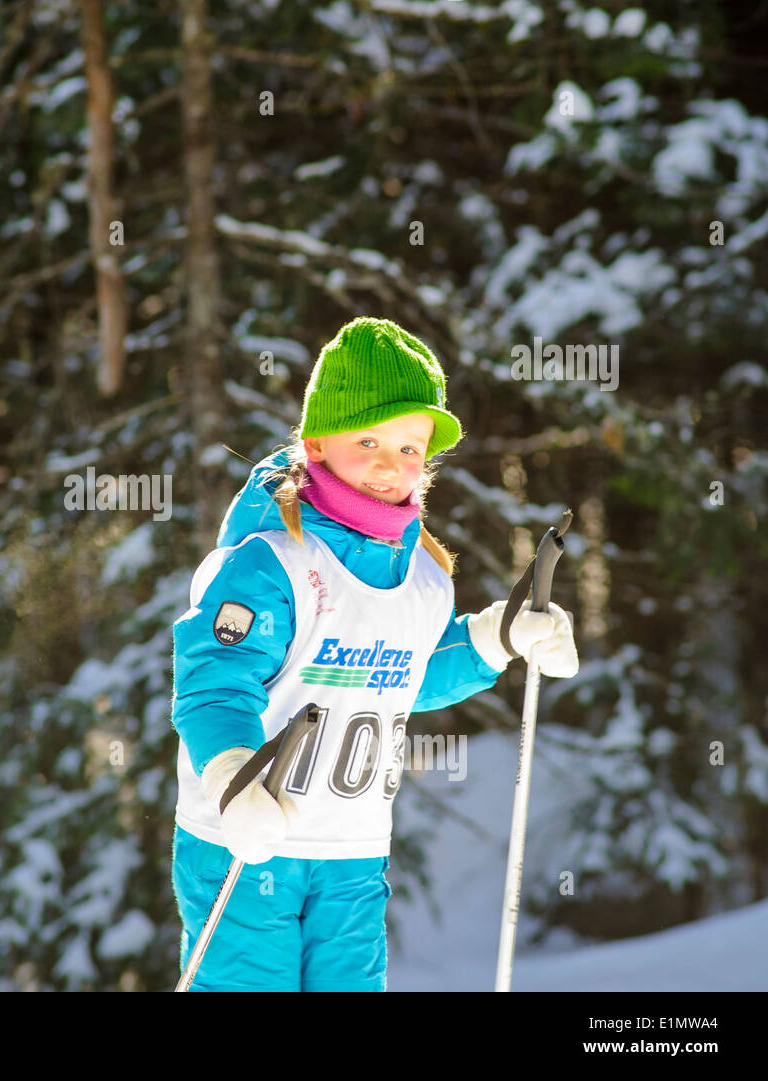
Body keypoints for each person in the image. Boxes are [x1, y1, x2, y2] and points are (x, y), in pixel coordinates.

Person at [170, 316, 578, 992]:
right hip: (244, 842)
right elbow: (215, 683)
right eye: (368, 440)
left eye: (411, 447)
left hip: (351, 851)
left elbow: (406, 677)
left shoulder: (422, 576)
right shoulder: (272, 562)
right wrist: (232, 775)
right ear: (318, 442)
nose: (392, 463)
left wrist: (497, 636)